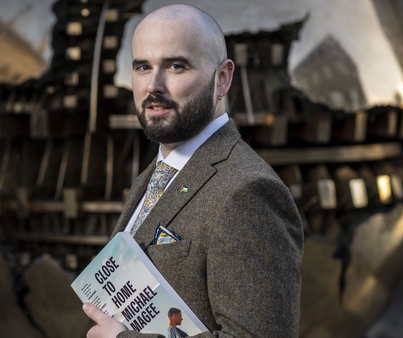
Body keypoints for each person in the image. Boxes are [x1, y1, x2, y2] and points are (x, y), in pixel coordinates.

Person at [82, 4, 303, 337]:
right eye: (143, 66)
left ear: (222, 79)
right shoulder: (154, 176)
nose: (153, 85)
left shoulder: (249, 191)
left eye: (175, 66)